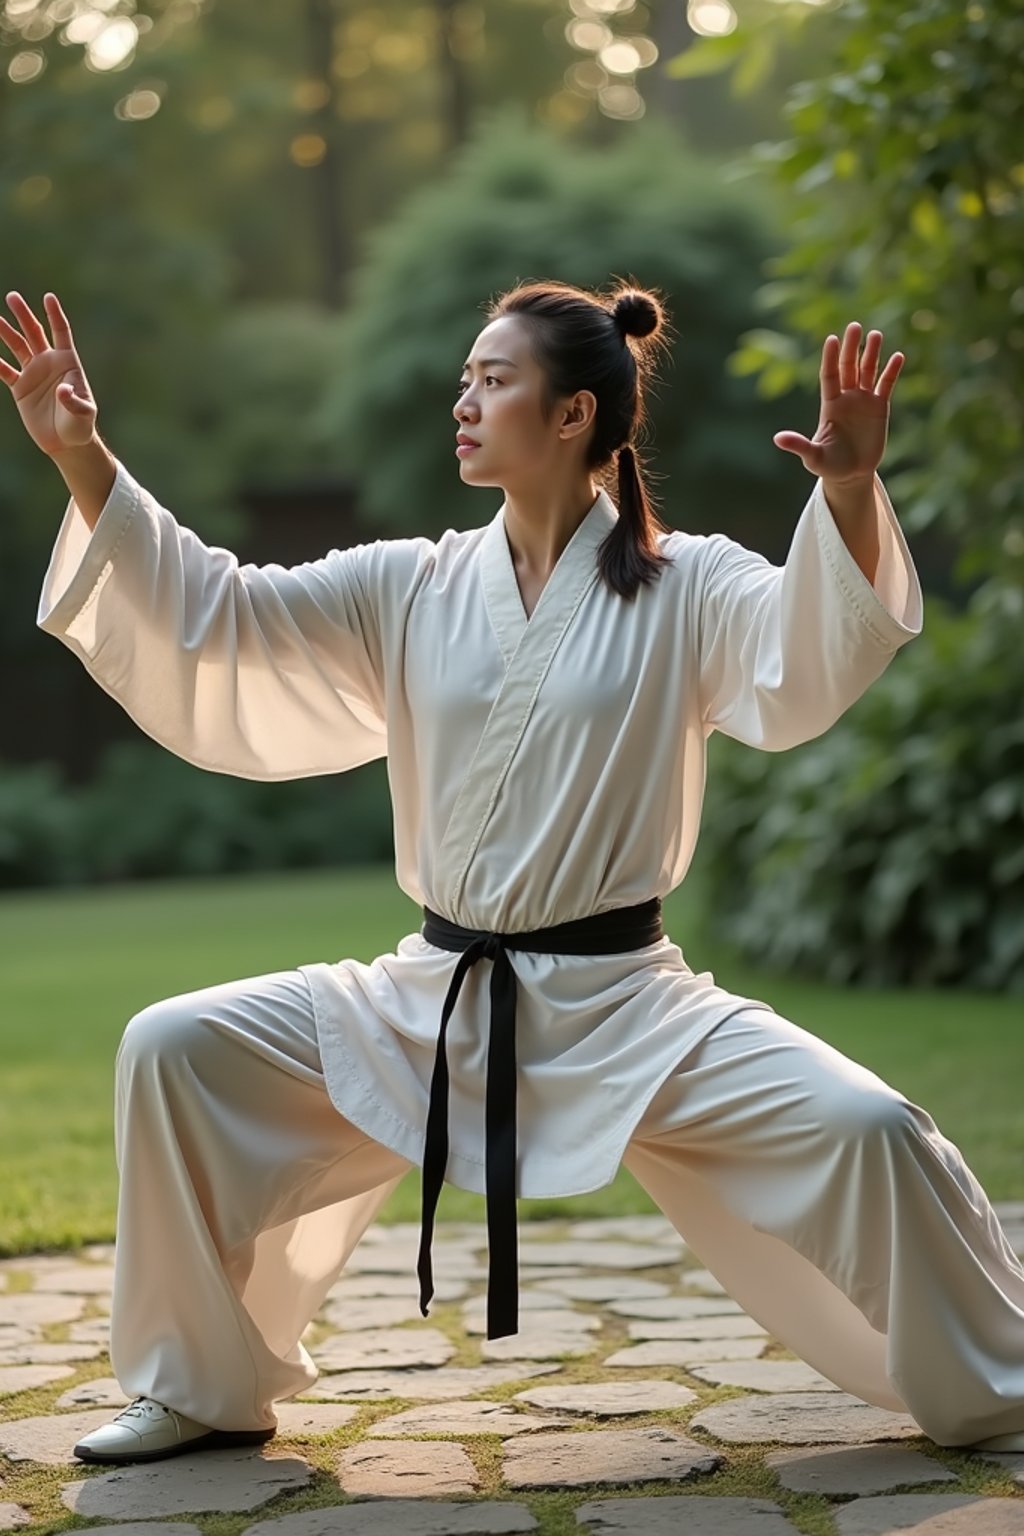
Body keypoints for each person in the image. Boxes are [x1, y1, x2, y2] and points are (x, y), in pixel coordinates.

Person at [3, 280, 1023, 1469]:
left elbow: (805, 645)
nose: (464, 401)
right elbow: (217, 613)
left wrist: (845, 486)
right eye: (464, 378)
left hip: (626, 1007)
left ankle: (995, 1377)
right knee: (173, 1047)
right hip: (427, 998)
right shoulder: (411, 583)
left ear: (575, 412)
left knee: (871, 1124)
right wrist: (85, 458)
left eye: (494, 380)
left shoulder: (687, 583)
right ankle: (198, 1386)